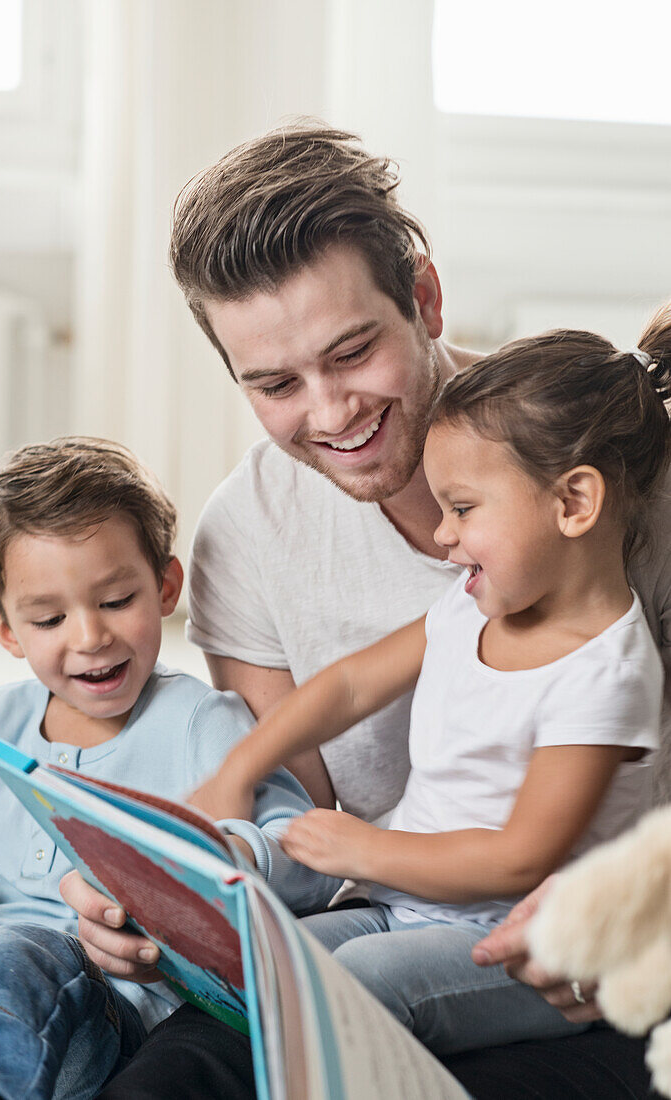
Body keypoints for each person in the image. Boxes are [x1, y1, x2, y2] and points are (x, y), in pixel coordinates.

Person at [64, 124, 669, 1098]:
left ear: (422, 298)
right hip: (393, 908)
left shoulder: (610, 475)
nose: (330, 410)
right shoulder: (248, 536)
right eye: (273, 383)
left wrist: (643, 903)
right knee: (168, 1075)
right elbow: (297, 811)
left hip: (593, 961)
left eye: (351, 352)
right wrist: (165, 884)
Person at [191, 317, 670, 1054]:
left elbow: (520, 858)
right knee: (262, 963)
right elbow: (349, 685)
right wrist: (240, 769)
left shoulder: (604, 675)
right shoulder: (468, 606)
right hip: (403, 907)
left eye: (464, 508)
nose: (442, 536)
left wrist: (363, 852)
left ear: (574, 503)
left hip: (512, 947)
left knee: (355, 984)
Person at [0, 437, 339, 1099]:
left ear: (165, 588)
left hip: (104, 1018)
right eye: (48, 618)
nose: (90, 636)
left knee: (16, 955)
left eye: (116, 601)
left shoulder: (200, 720)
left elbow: (307, 857)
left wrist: (225, 851)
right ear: (8, 631)